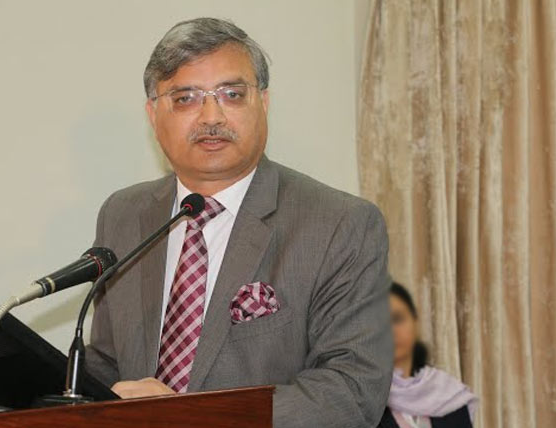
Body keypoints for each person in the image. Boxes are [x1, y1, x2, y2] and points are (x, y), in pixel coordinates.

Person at [85, 17, 392, 427]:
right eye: (186, 98)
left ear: (262, 103)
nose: (211, 116)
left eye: (231, 94)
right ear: (153, 115)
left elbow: (351, 391)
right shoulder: (123, 214)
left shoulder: (341, 224)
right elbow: (106, 363)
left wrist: (188, 418)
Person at [380, 282, 478, 428]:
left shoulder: (448, 395)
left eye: (397, 319)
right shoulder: (358, 401)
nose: (391, 331)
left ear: (415, 323)